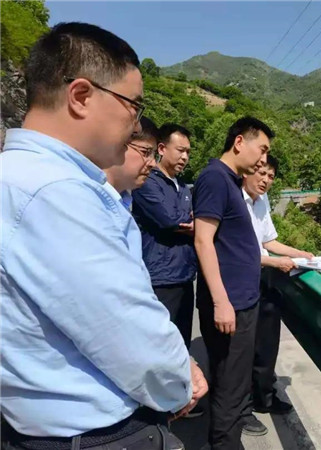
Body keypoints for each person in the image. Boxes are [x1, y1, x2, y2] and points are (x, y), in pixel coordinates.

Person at [0, 23, 207, 450]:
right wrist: (180, 383)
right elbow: (127, 331)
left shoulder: (18, 177)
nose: (137, 124)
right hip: (96, 434)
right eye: (133, 105)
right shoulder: (55, 192)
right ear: (81, 96)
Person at [193, 117, 273, 449]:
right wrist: (221, 302)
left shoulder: (229, 181)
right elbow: (203, 241)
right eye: (262, 149)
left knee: (235, 382)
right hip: (232, 305)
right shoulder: (215, 178)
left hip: (243, 302)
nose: (264, 159)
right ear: (240, 142)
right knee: (229, 385)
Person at [239, 155, 315, 436]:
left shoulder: (262, 201)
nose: (266, 180)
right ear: (247, 171)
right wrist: (276, 262)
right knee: (243, 349)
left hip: (263, 278)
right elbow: (239, 251)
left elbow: (268, 241)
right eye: (262, 173)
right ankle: (242, 409)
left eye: (271, 176)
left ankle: (264, 397)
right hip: (241, 281)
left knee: (267, 342)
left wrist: (300, 254)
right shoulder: (234, 201)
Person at [132, 124, 196, 348]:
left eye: (188, 152)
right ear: (161, 149)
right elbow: (170, 219)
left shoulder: (184, 187)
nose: (185, 157)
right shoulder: (147, 182)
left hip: (185, 276)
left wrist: (189, 222)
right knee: (158, 345)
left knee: (182, 345)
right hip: (159, 278)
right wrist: (191, 222)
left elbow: (186, 219)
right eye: (180, 150)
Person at [104, 116, 159, 207]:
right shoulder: (87, 198)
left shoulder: (125, 201)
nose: (153, 164)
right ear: (118, 144)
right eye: (145, 152)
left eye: (155, 155)